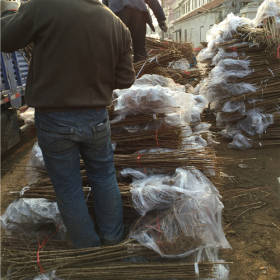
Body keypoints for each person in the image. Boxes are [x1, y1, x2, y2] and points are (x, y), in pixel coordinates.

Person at [1, 0, 135, 249]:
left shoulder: (42, 6)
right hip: (96, 117)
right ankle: (112, 237)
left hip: (54, 118)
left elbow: (5, 39)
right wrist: (95, 83)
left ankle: (87, 246)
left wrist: (10, 12)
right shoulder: (116, 24)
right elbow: (126, 78)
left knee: (67, 185)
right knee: (104, 176)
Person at [103, 0, 168, 62]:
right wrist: (161, 19)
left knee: (116, 47)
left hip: (119, 10)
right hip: (139, 11)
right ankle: (142, 72)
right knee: (140, 48)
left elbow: (104, 5)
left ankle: (118, 71)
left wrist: (104, 22)